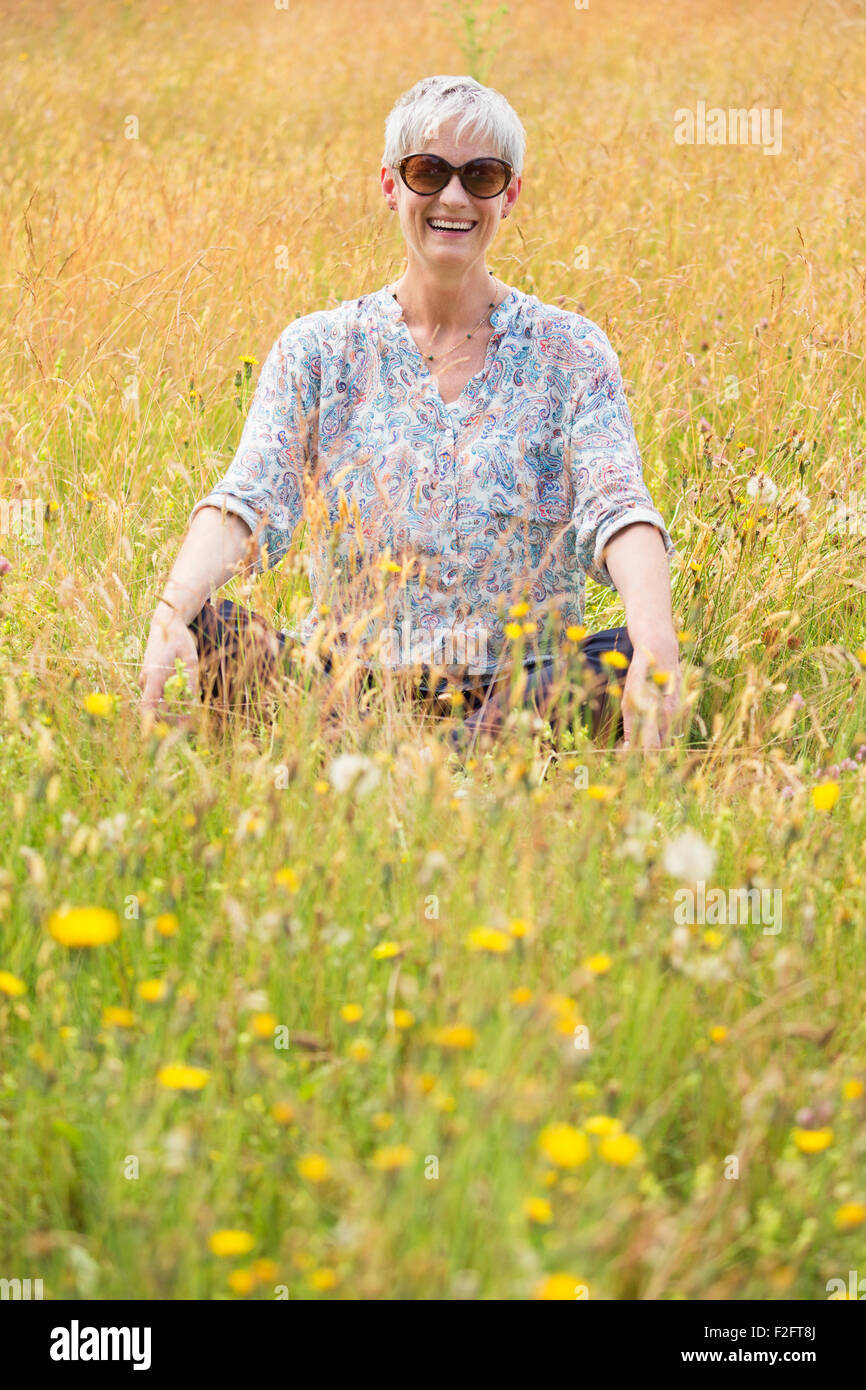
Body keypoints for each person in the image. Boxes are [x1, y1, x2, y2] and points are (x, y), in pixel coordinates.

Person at [139, 74, 681, 750]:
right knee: (205, 627)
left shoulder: (570, 350)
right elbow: (249, 499)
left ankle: (412, 749)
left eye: (481, 175)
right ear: (392, 185)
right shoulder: (318, 348)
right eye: (429, 172)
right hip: (347, 678)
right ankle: (446, 749)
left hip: (524, 681)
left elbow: (618, 508)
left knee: (627, 650)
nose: (453, 197)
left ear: (509, 195)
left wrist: (656, 643)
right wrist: (171, 612)